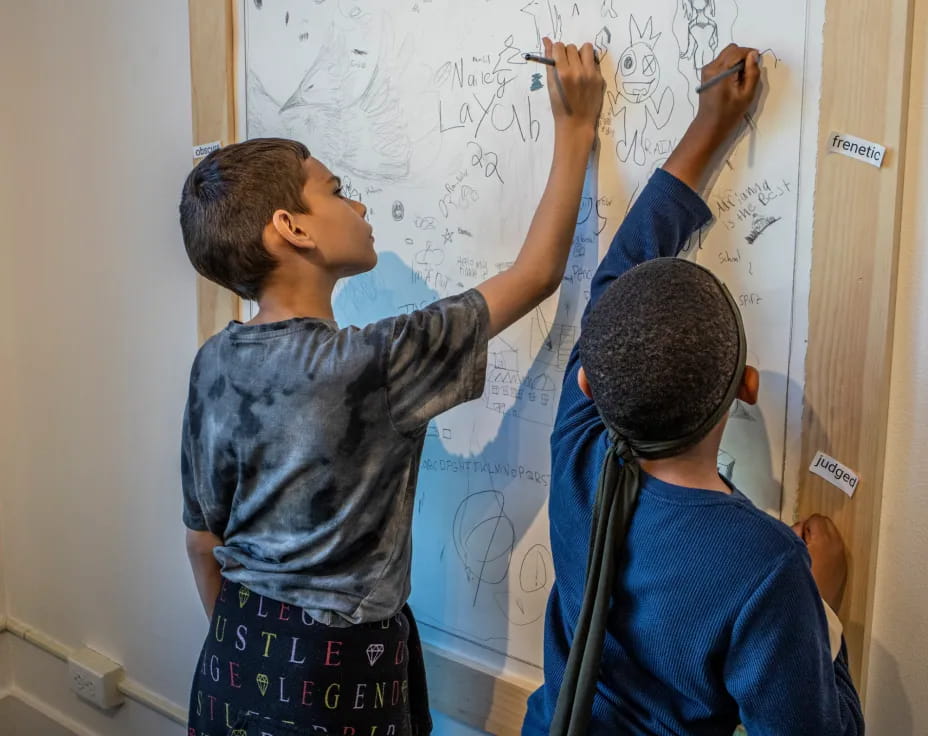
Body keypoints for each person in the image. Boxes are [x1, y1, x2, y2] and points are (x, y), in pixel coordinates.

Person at [178, 39, 604, 736]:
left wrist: (247, 653)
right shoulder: (374, 363)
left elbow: (202, 541)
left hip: (231, 660)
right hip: (337, 674)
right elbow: (535, 275)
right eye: (337, 191)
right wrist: (577, 128)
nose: (359, 202)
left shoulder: (215, 361)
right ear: (291, 228)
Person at [522, 44, 865, 735]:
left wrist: (706, 126)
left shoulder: (578, 446)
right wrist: (819, 614)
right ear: (746, 387)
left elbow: (621, 272)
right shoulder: (766, 569)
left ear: (587, 381)